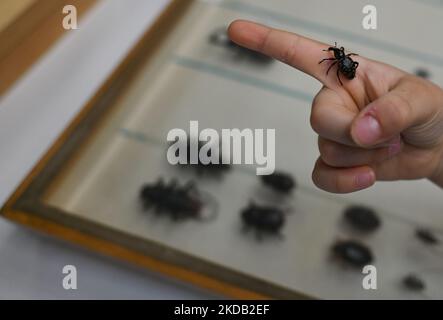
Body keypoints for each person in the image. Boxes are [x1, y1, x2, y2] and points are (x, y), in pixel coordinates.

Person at [228, 20, 443, 194]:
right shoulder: (343, 60)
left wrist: (436, 159)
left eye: (337, 53)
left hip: (349, 74)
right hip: (351, 74)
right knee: (338, 146)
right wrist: (435, 160)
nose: (335, 54)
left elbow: (336, 65)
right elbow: (338, 63)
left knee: (336, 148)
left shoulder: (341, 62)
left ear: (340, 56)